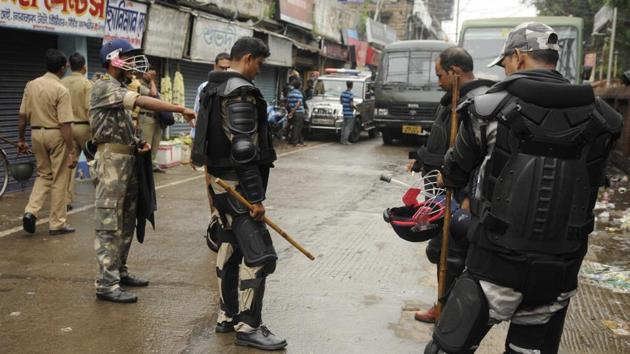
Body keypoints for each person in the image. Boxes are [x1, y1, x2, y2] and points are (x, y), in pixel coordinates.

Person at [424, 22, 622, 354]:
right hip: (558, 272)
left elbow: (454, 173)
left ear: (517, 57)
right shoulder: (604, 119)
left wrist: (445, 176)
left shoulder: (487, 109)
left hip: (494, 264)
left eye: (504, 64)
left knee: (446, 348)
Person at [197, 36, 286, 350]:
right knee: (261, 256)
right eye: (259, 64)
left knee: (229, 245)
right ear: (248, 58)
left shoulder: (212, 88)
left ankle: (227, 315)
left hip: (219, 185)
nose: (258, 72)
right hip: (237, 188)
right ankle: (248, 327)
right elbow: (243, 148)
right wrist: (256, 198)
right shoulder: (240, 91)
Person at [91, 39, 195, 303]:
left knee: (127, 219)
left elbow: (122, 126)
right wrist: (180, 109)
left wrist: (138, 143)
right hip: (111, 162)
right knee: (109, 222)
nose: (133, 63)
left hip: (128, 161)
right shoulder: (104, 86)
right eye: (128, 57)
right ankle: (106, 283)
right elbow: (143, 101)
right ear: (114, 59)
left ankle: (119, 271)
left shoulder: (119, 87)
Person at [406, 47, 494, 323]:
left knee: (453, 256)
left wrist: (469, 195)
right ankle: (446, 305)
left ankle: (451, 312)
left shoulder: (479, 104)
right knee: (440, 251)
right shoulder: (452, 100)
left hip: (461, 196)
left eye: (440, 74)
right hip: (441, 191)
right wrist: (422, 159)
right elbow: (445, 144)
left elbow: (484, 158)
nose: (438, 80)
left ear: (455, 71)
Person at [18, 49, 77, 236]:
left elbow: (22, 116)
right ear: (62, 68)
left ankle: (31, 211)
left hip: (36, 134)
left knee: (43, 175)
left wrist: (21, 139)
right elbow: (65, 124)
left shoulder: (31, 85)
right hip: (56, 134)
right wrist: (71, 149)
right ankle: (57, 223)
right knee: (60, 178)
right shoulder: (61, 89)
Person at [61, 52, 93, 210]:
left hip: (67, 127)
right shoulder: (87, 84)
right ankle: (101, 193)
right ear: (84, 67)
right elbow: (89, 108)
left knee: (69, 163)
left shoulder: (62, 82)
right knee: (94, 161)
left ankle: (66, 200)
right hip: (84, 126)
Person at [133, 69, 163, 172]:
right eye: (150, 74)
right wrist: (152, 81)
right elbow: (153, 94)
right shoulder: (139, 85)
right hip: (146, 118)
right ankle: (143, 168)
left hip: (156, 119)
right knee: (147, 144)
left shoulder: (150, 84)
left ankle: (151, 165)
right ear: (144, 74)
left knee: (155, 145)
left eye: (154, 75)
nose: (152, 76)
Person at [287, 79, 305, 146]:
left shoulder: (290, 93)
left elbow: (288, 103)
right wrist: (292, 112)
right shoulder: (299, 93)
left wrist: (291, 111)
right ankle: (295, 142)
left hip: (293, 112)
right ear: (299, 86)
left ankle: (300, 141)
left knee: (297, 126)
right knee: (297, 127)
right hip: (298, 112)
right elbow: (298, 103)